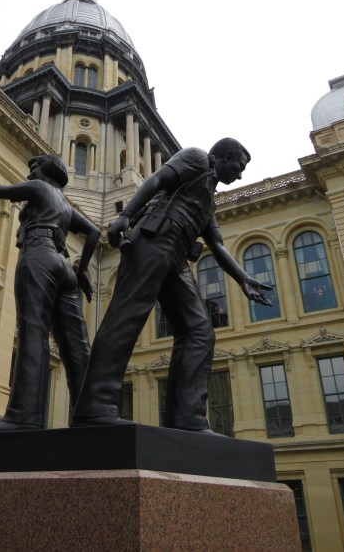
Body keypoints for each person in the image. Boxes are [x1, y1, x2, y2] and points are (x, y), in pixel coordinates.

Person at [71, 138, 272, 432]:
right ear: (225, 157)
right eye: (239, 167)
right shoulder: (198, 158)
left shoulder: (208, 201)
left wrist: (243, 279)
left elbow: (216, 244)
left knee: (199, 330)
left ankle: (187, 419)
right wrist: (125, 216)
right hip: (153, 240)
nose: (240, 175)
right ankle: (94, 407)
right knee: (126, 317)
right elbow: (156, 179)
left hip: (176, 257)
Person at [0, 154, 100, 431]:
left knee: (33, 333)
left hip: (39, 254)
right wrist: (81, 271)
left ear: (46, 171)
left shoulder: (41, 189)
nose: (30, 175)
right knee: (77, 345)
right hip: (63, 266)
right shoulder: (65, 204)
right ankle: (93, 413)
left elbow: (0, 191)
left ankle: (24, 416)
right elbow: (93, 232)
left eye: (34, 169)